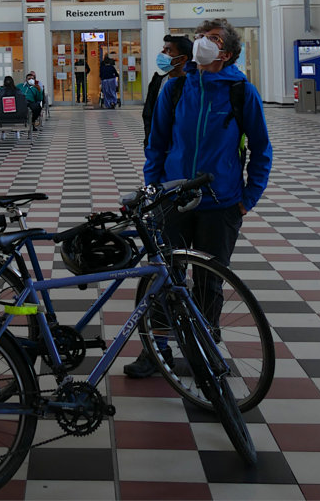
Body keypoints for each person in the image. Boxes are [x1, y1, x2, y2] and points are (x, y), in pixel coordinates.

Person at [124, 19, 273, 378]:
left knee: (209, 283)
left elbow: (261, 149)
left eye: (214, 39)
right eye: (201, 36)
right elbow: (156, 145)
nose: (203, 43)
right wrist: (155, 190)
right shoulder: (174, 89)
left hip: (220, 205)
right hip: (172, 202)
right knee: (163, 278)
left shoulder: (241, 91)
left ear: (228, 53)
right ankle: (156, 350)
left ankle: (204, 349)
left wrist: (247, 198)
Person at [142, 34, 191, 147]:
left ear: (183, 58)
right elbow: (148, 114)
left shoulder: (192, 85)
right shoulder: (157, 82)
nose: (162, 53)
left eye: (168, 50)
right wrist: (149, 141)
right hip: (158, 145)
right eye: (163, 49)